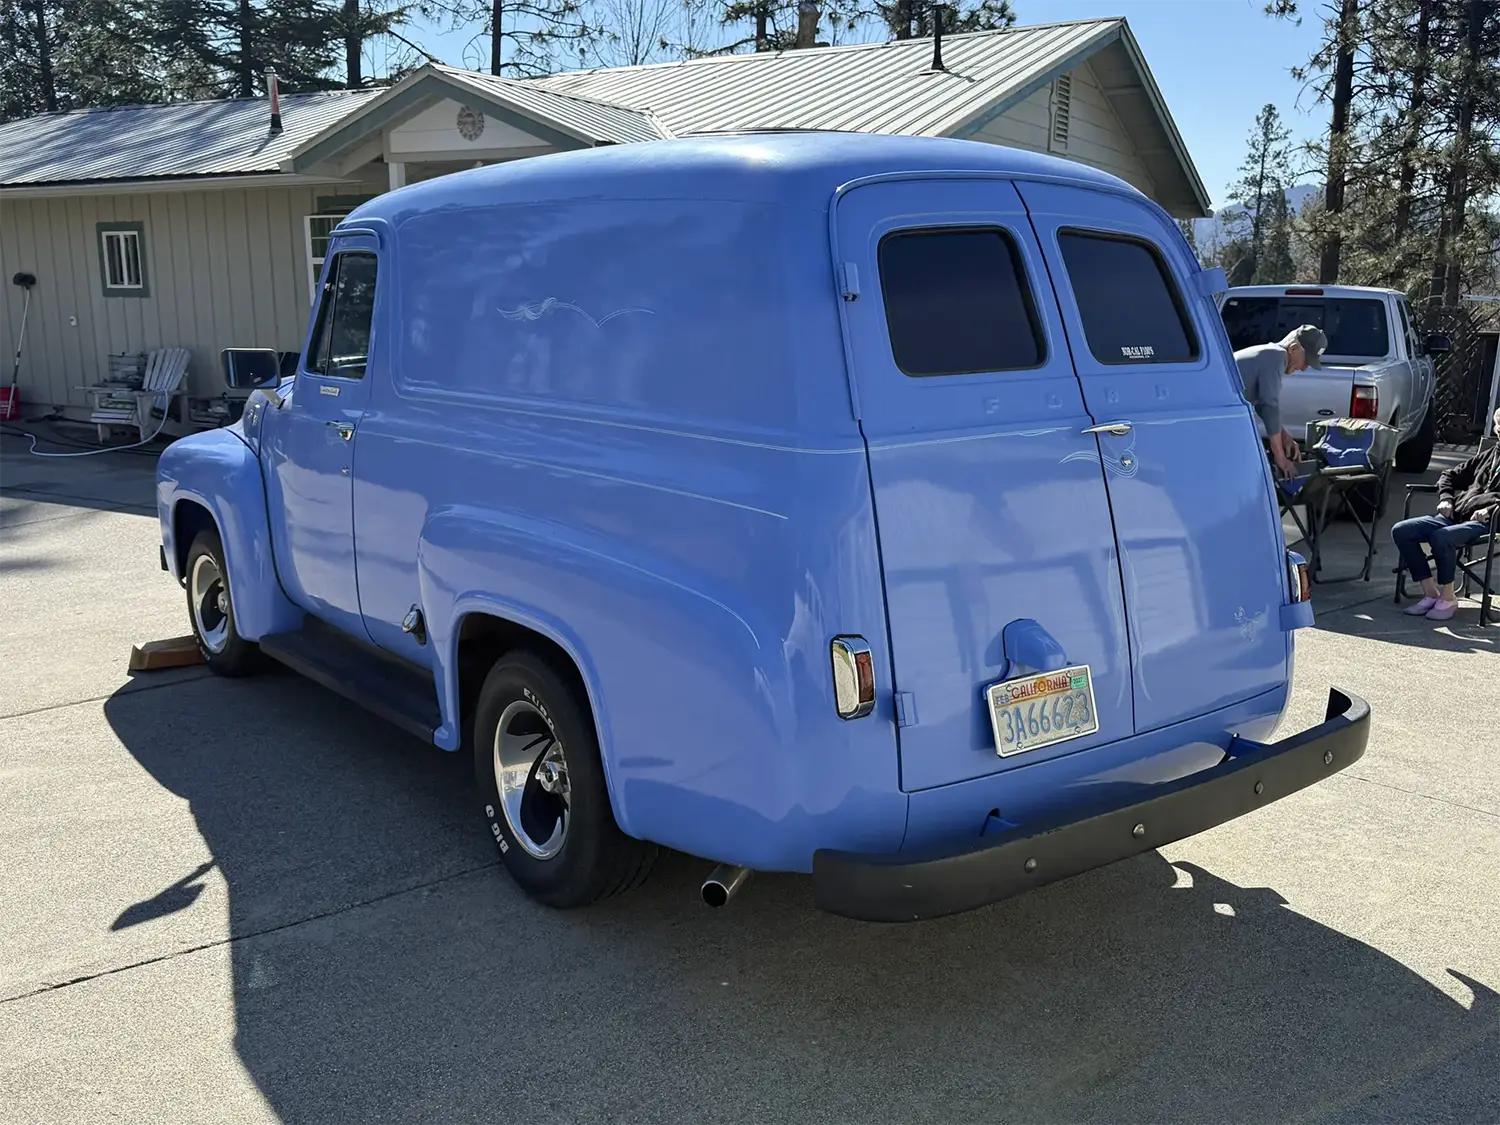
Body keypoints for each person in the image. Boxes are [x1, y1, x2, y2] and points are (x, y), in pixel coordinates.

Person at [1392, 406, 1500, 621]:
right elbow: (1449, 475)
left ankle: (1448, 597)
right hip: (1456, 515)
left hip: (1490, 522)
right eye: (1499, 426)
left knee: (1443, 537)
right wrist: (1446, 499)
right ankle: (1430, 593)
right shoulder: (1491, 454)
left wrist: (1490, 510)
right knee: (1403, 530)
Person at [1234, 325, 1329, 478]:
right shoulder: (1276, 357)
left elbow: (1261, 405)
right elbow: (1269, 406)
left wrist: (1285, 437)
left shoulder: (1270, 355)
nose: (1304, 368)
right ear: (1293, 348)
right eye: (1306, 361)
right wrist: (1280, 458)